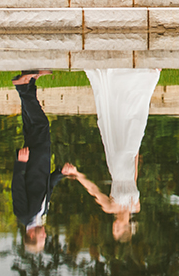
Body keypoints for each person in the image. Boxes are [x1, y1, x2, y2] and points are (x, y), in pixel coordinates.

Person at [62, 68, 161, 242]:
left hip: (115, 159)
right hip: (129, 156)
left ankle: (115, 85)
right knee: (134, 120)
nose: (113, 227)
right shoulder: (136, 206)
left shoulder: (110, 208)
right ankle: (146, 76)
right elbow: (134, 179)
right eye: (117, 230)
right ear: (125, 228)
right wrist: (137, 152)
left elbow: (94, 190)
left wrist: (77, 175)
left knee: (113, 118)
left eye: (113, 229)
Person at [10, 70, 78, 254]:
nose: (45, 237)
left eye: (41, 240)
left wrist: (21, 163)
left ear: (31, 236)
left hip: (32, 159)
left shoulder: (24, 214)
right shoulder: (41, 214)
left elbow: (17, 187)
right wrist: (60, 174)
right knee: (31, 124)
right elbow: (47, 188)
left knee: (41, 125)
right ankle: (28, 83)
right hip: (42, 160)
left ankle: (23, 87)